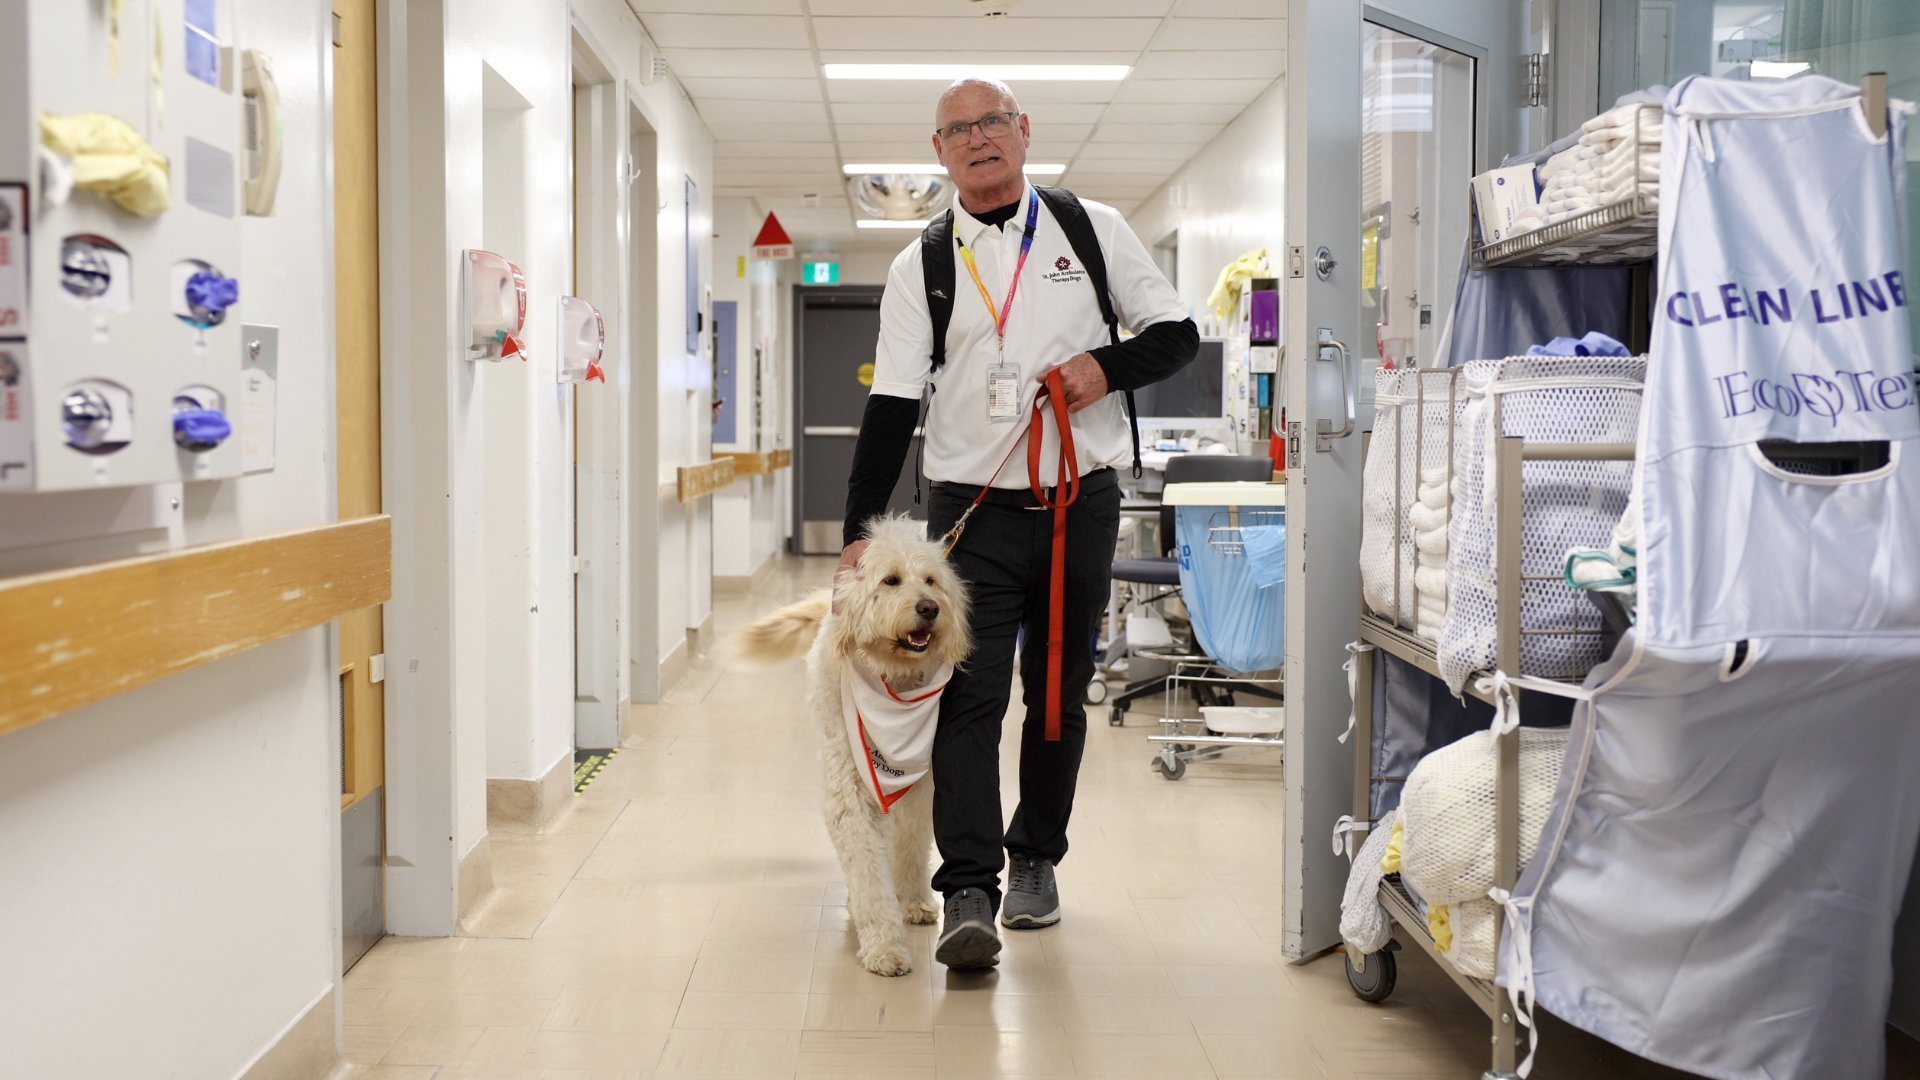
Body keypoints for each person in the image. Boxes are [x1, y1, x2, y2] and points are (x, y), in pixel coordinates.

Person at [835, 77, 1198, 969]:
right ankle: (967, 887)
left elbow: (1178, 334)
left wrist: (1102, 372)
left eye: (992, 121)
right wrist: (858, 529)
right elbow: (890, 403)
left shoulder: (1091, 229)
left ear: (1023, 132)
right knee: (970, 694)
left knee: (1059, 692)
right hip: (969, 515)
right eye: (957, 129)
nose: (977, 139)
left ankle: (1035, 855)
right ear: (939, 152)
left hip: (1080, 500)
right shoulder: (920, 263)